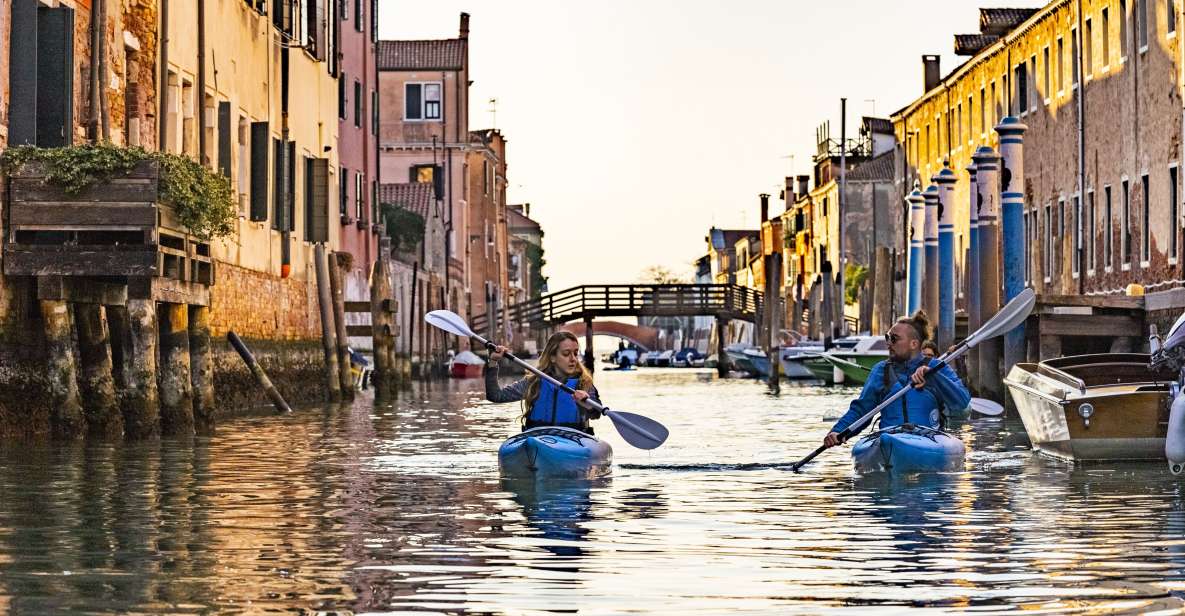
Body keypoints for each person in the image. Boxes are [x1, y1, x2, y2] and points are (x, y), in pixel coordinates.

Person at [823, 311, 970, 447]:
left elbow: (961, 402)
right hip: (889, 438)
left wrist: (933, 376)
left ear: (914, 344)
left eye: (894, 339)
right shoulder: (880, 370)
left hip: (929, 439)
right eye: (888, 337)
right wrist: (838, 431)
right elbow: (861, 410)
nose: (888, 343)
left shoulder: (937, 368)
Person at [485, 331, 603, 434]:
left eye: (575, 353)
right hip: (538, 439)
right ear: (552, 357)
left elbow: (596, 414)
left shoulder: (584, 384)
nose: (573, 359)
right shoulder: (534, 383)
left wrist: (587, 404)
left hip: (573, 440)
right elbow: (495, 396)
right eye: (566, 354)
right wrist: (493, 362)